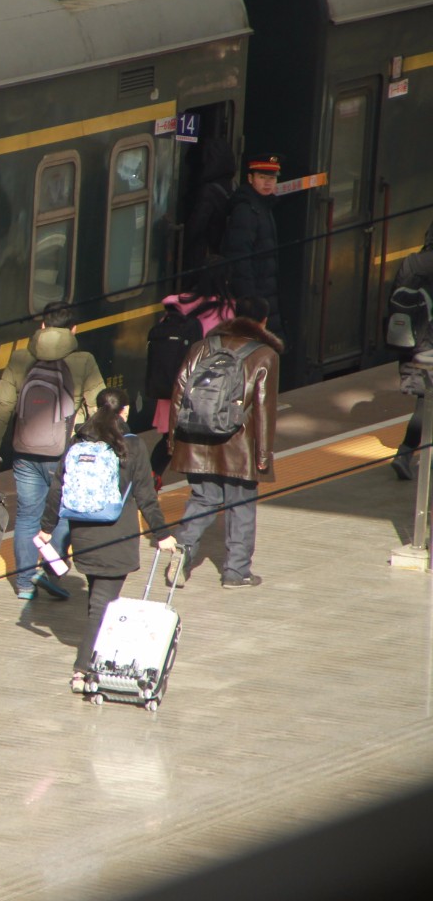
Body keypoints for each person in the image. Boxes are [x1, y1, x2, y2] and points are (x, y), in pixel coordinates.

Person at [36, 388, 177, 693]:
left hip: (84, 535)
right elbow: (145, 496)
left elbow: (56, 489)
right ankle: (83, 669)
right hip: (118, 536)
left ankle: (93, 659)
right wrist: (162, 534)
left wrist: (47, 528)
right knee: (102, 605)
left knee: (97, 602)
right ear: (124, 411)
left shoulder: (78, 442)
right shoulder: (132, 446)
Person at [0, 301, 105, 602]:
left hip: (25, 451)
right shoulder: (83, 361)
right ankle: (52, 568)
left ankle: (23, 584)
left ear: (43, 326)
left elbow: (1, 406)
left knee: (26, 517)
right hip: (66, 453)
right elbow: (97, 406)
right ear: (74, 329)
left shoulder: (21, 358)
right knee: (61, 513)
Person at [167, 297, 282, 588]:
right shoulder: (265, 355)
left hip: (196, 441)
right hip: (239, 447)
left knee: (202, 499)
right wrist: (264, 455)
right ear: (263, 322)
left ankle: (181, 554)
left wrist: (173, 440)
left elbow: (179, 392)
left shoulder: (201, 347)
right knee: (240, 507)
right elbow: (264, 409)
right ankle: (236, 572)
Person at [147, 261, 235, 480]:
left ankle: (148, 484)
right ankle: (200, 490)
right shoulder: (226, 310)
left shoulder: (176, 306)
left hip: (171, 382)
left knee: (169, 440)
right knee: (201, 441)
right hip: (204, 388)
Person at [223, 153, 285, 341]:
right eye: (262, 177)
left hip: (265, 293)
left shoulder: (262, 206)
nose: (268, 183)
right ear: (250, 179)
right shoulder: (246, 210)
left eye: (272, 178)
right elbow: (240, 259)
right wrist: (250, 303)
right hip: (257, 296)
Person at [389, 220, 433, 480]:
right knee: (426, 402)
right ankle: (406, 453)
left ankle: (405, 454)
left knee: (424, 399)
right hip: (430, 342)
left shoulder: (411, 262)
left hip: (408, 341)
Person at [182, 137, 237, 273]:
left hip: (205, 257)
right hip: (222, 254)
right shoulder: (234, 186)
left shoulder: (208, 191)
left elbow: (196, 227)